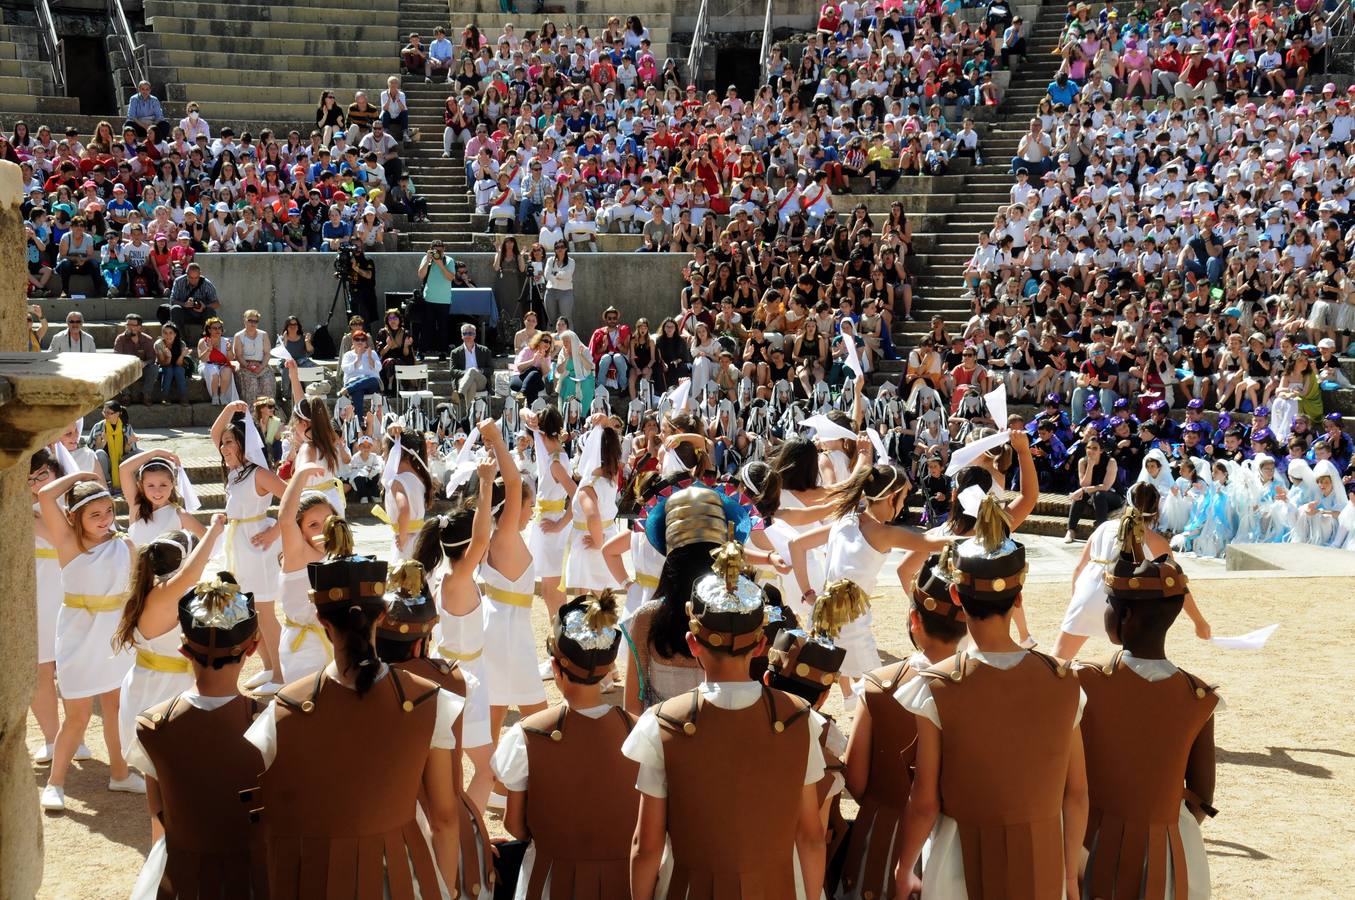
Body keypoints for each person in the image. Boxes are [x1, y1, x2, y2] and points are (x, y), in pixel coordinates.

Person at [893, 495, 1087, 899]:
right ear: (1018, 599)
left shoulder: (936, 685)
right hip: (1042, 859)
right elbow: (1077, 793)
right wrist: (1068, 874)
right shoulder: (1064, 680)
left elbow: (924, 799)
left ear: (958, 600)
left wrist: (903, 865)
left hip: (957, 856)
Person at [244, 550, 466, 897]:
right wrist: (447, 888)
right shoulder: (430, 700)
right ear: (383, 616)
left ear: (321, 620)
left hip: (319, 879)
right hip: (403, 876)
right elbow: (445, 818)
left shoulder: (284, 708)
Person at [624, 534, 827, 900]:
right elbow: (810, 835)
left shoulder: (661, 723)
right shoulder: (800, 718)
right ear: (762, 644)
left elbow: (647, 844)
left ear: (693, 642)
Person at [1074, 514, 1219, 900]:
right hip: (1171, 850)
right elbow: (1202, 794)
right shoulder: (1197, 696)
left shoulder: (1083, 682)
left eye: (1109, 603)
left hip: (1089, 844)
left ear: (1124, 615)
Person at [125, 575, 267, 900]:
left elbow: (158, 817)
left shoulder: (152, 725)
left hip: (183, 872)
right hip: (256, 875)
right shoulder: (273, 723)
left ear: (184, 648)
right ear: (254, 646)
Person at [492, 590, 640, 899]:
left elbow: (515, 825)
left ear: (556, 669)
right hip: (622, 882)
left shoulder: (527, 734)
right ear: (609, 666)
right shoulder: (639, 729)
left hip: (549, 879)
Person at [837, 557, 966, 900]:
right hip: (958, 844)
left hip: (887, 837)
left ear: (914, 619)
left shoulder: (879, 687)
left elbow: (856, 779)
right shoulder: (981, 688)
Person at [376, 560, 495, 899]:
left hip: (385, 842)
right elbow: (487, 772)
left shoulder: (355, 687)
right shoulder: (462, 682)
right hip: (454, 839)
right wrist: (474, 831)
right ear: (422, 641)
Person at [790, 461, 948, 706]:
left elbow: (796, 545)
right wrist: (972, 530)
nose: (904, 504)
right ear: (891, 497)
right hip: (851, 625)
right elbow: (931, 543)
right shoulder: (882, 533)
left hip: (821, 616)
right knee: (881, 693)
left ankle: (846, 703)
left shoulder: (844, 521)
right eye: (904, 497)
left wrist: (809, 594)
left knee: (817, 688)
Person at [412, 420, 505, 808]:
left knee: (466, 766)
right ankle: (473, 832)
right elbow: (482, 537)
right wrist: (485, 485)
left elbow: (477, 537)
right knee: (485, 771)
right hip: (467, 681)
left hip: (461, 674)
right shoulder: (457, 577)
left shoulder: (444, 574)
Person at [37, 472, 143, 812]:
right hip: (78, 636)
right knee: (78, 716)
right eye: (94, 514)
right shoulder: (67, 543)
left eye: (108, 511)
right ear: (75, 517)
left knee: (114, 709)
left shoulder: (125, 544)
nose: (104, 520)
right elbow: (44, 497)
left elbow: (140, 588)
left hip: (114, 638)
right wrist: (79, 476)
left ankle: (120, 773)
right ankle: (56, 783)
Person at [112, 520, 225, 802]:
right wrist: (214, 529)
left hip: (160, 687)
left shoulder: (157, 589)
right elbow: (190, 575)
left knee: (167, 775)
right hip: (158, 692)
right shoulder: (162, 595)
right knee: (166, 773)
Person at [210, 403, 288, 693]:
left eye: (230, 442)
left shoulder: (259, 473)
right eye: (224, 443)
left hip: (259, 547)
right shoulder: (236, 473)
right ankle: (269, 668)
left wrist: (274, 531)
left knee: (266, 612)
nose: (223, 447)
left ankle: (282, 674)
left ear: (244, 443)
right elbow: (214, 433)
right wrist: (229, 409)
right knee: (252, 612)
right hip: (239, 546)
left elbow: (295, 498)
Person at [29, 449, 65, 766]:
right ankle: (52, 738)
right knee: (40, 667)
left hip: (71, 588)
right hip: (35, 591)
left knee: (69, 666)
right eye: (30, 478)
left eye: (43, 474)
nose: (38, 483)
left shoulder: (71, 501)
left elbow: (65, 539)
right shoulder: (16, 508)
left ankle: (73, 736)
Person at [524, 407, 575, 621]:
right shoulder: (557, 453)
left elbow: (577, 495)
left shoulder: (555, 463)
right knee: (548, 587)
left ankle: (559, 629)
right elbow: (524, 413)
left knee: (552, 587)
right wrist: (530, 415)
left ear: (544, 434)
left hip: (552, 526)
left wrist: (560, 525)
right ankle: (557, 629)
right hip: (547, 522)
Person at [119, 450, 206, 546]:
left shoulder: (180, 515)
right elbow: (124, 469)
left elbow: (209, 539)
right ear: (141, 485)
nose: (157, 491)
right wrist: (156, 452)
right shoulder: (136, 505)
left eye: (163, 485)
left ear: (172, 484)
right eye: (151, 485)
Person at [418, 239, 456, 355]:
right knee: (426, 327)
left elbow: (451, 277)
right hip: (428, 298)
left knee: (443, 328)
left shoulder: (449, 260)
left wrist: (440, 264)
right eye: (436, 250)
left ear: (444, 249)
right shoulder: (427, 259)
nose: (438, 253)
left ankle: (442, 352)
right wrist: (428, 260)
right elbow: (420, 275)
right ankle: (422, 351)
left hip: (444, 300)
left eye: (440, 250)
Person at [449, 323, 493, 421]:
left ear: (475, 335)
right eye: (465, 333)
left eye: (470, 333)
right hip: (464, 381)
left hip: (481, 380)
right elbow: (452, 371)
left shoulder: (484, 350)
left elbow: (491, 369)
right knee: (471, 383)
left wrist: (479, 371)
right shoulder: (455, 352)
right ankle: (470, 417)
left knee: (473, 371)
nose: (468, 336)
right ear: (461, 336)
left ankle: (459, 394)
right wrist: (467, 373)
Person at [114, 314, 160, 405]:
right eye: (128, 325)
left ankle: (146, 394)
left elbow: (152, 358)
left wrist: (145, 363)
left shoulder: (147, 339)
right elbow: (116, 357)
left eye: (133, 325)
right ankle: (126, 395)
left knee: (154, 368)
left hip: (141, 369)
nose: (129, 327)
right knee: (115, 370)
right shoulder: (120, 339)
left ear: (139, 327)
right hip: (126, 369)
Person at [167, 263, 221, 339]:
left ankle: (208, 339)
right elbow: (172, 300)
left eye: (196, 278)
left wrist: (204, 306)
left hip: (201, 315)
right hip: (184, 314)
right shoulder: (179, 282)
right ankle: (180, 340)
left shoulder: (206, 284)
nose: (193, 281)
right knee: (175, 309)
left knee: (210, 312)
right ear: (186, 275)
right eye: (191, 278)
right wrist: (184, 304)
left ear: (200, 274)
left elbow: (217, 304)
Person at [339, 329, 382, 418]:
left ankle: (348, 389)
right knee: (357, 390)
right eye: (357, 339)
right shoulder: (348, 355)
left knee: (373, 379)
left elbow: (379, 368)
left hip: (371, 384)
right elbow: (345, 369)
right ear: (353, 341)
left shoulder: (372, 353)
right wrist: (358, 359)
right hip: (354, 383)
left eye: (362, 340)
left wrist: (370, 358)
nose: (360, 342)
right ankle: (359, 422)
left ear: (366, 342)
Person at [153, 322, 191, 406]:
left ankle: (183, 396)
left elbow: (179, 364)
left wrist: (182, 355)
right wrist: (169, 357)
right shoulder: (158, 344)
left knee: (178, 370)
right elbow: (162, 363)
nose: (168, 335)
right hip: (163, 367)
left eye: (171, 333)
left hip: (177, 366)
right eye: (165, 333)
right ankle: (165, 396)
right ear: (162, 334)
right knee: (169, 370)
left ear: (175, 334)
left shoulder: (181, 344)